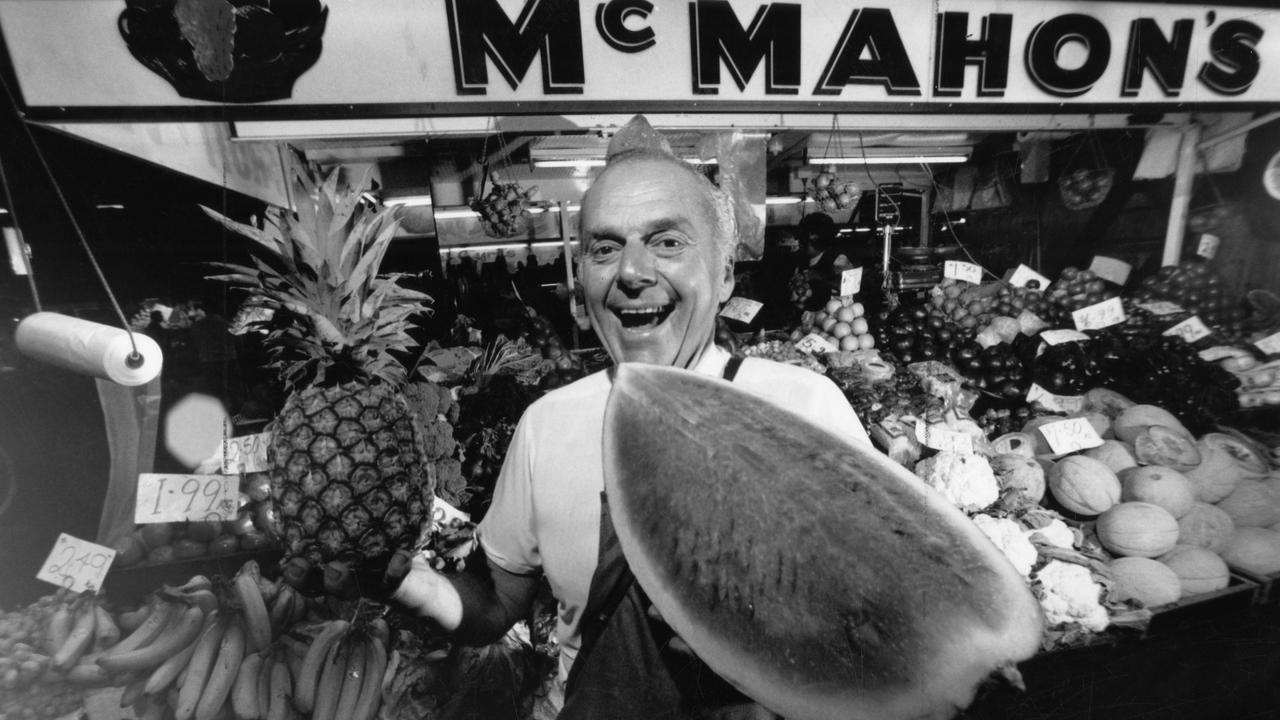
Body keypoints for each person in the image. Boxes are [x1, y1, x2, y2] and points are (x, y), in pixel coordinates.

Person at [329, 117, 870, 718]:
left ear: (724, 277)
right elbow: (494, 606)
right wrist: (401, 581)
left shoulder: (805, 409)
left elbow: (879, 622)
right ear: (581, 280)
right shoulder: (547, 425)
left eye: (667, 242)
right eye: (605, 248)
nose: (632, 273)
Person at [794, 212, 853, 311]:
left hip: (834, 316)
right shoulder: (803, 258)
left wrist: (820, 277)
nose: (800, 245)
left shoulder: (838, 259)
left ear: (819, 243)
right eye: (801, 241)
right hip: (809, 317)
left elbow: (850, 287)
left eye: (804, 242)